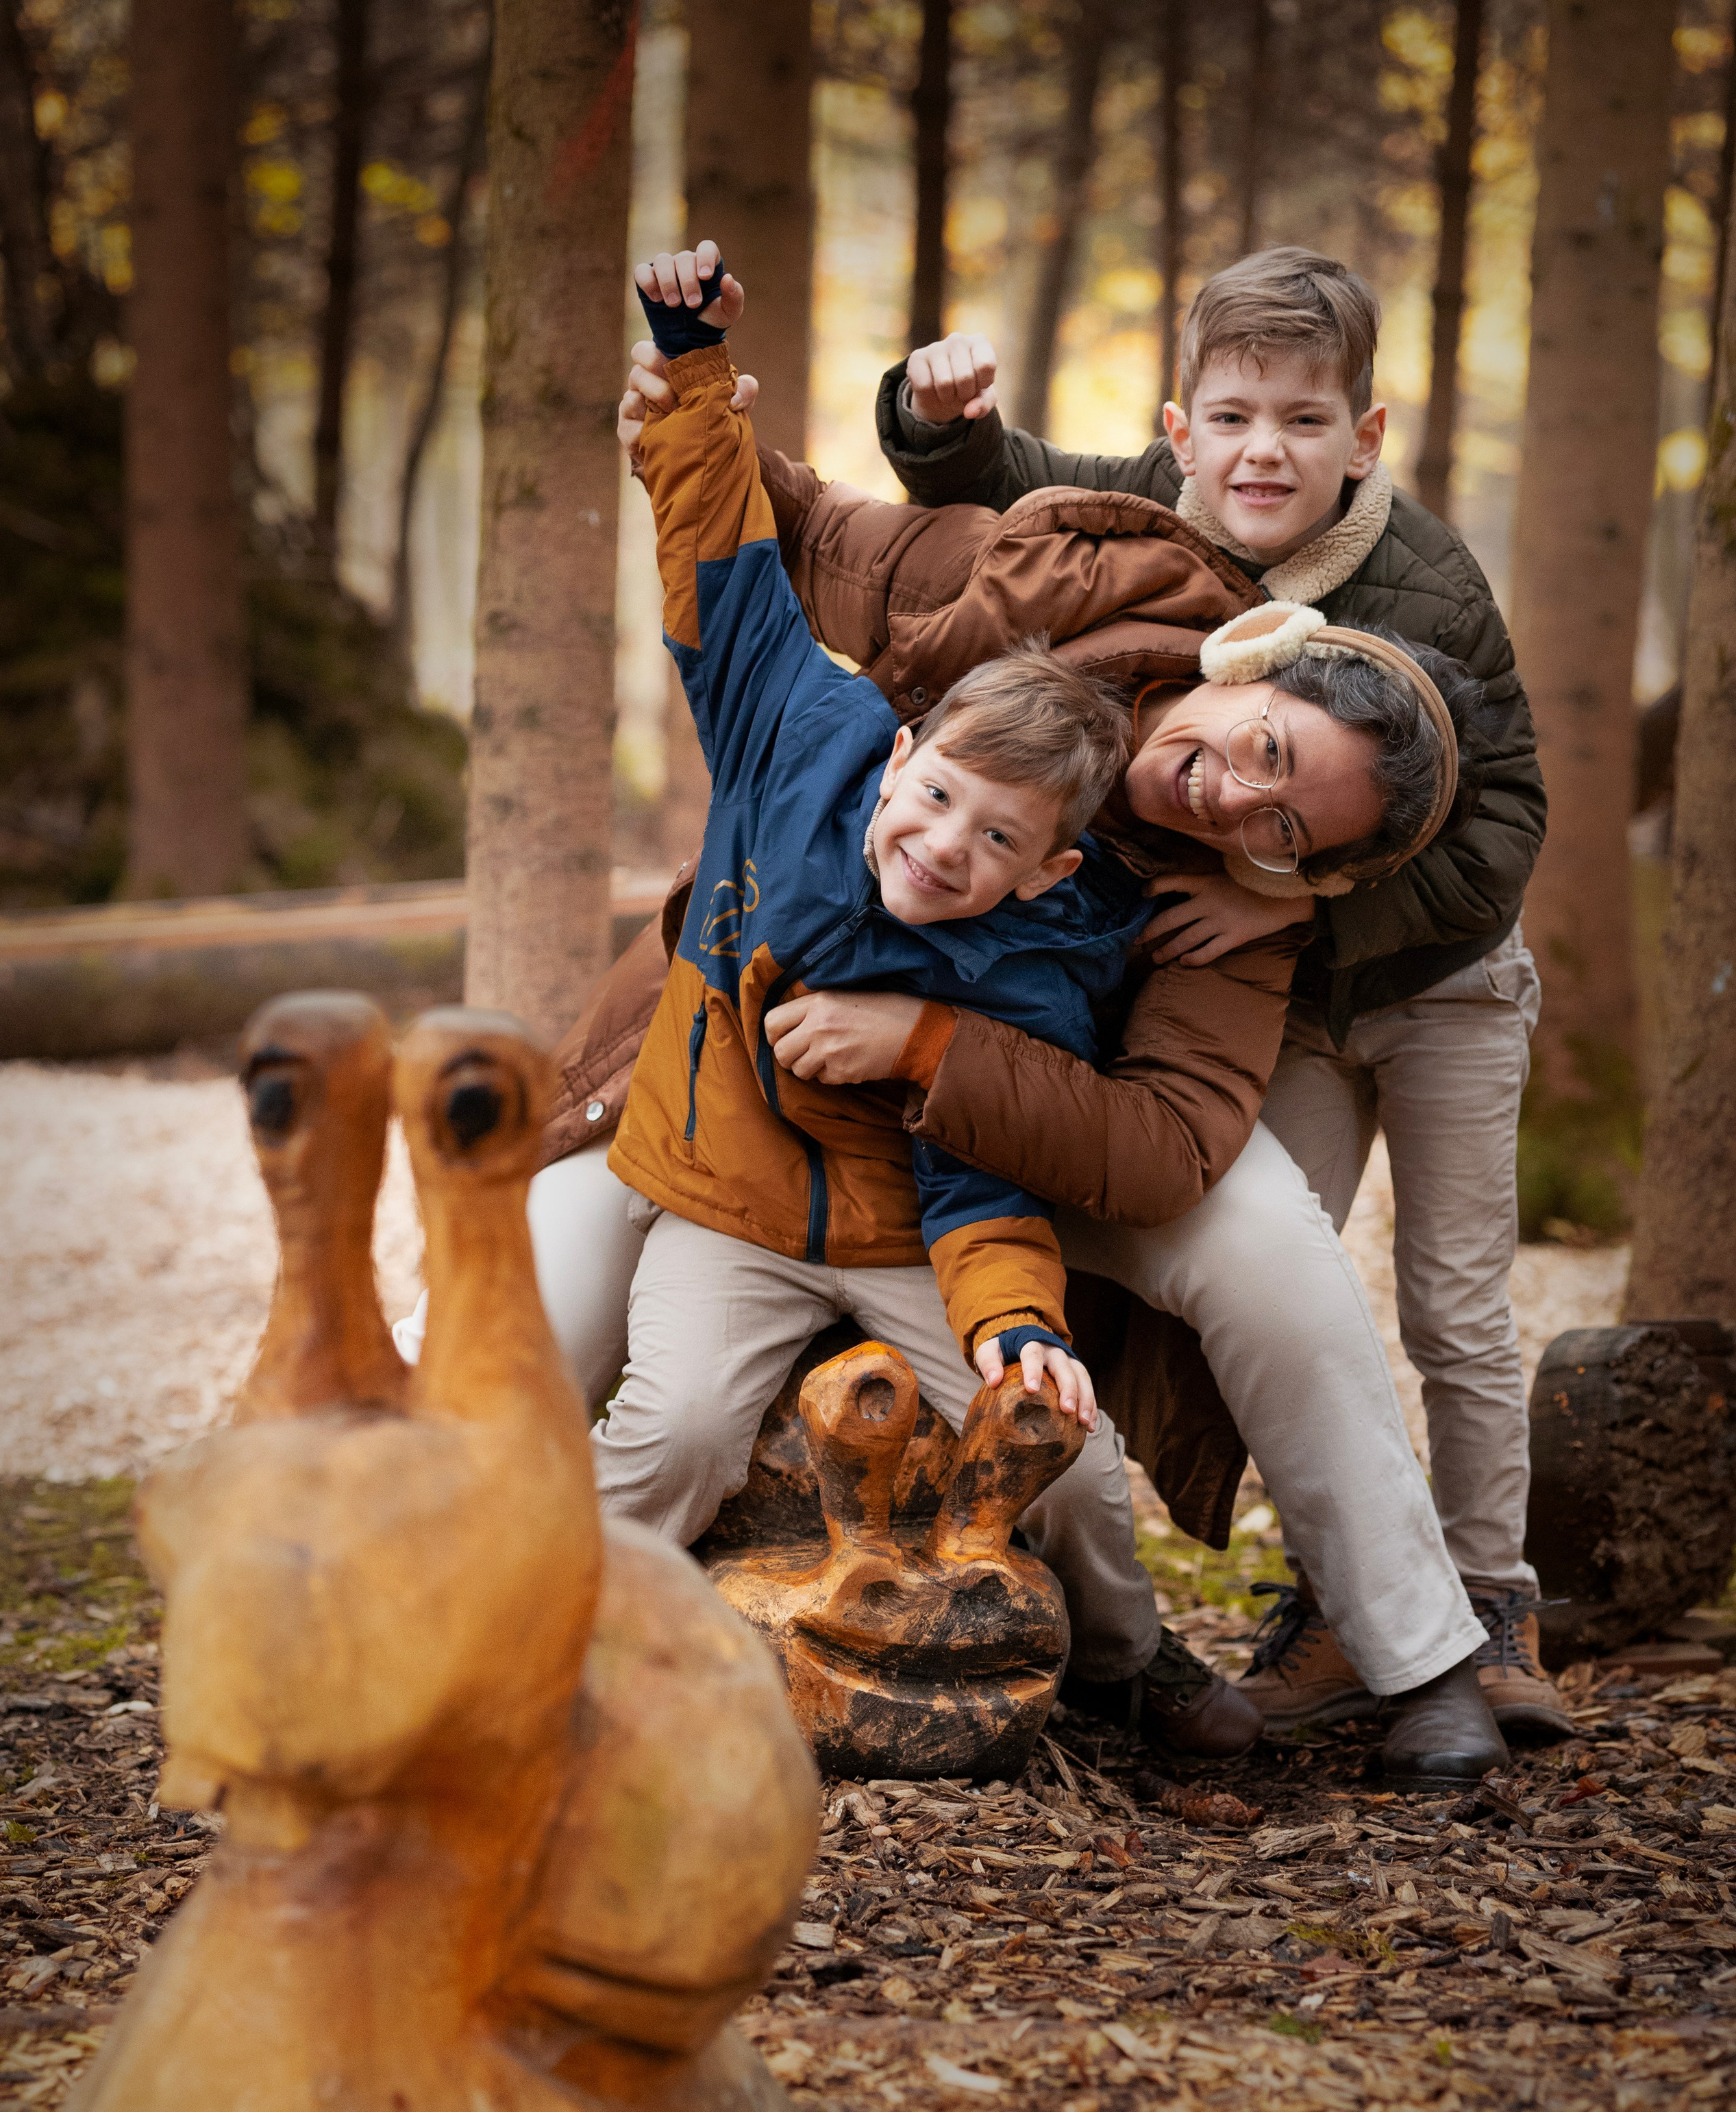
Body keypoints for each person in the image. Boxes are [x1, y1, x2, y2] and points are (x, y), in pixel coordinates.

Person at [526, 243, 1517, 1788]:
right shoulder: (1057, 596)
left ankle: (1417, 1648)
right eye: (1254, 743)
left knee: (1265, 1251)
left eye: (1283, 824)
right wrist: (685, 395)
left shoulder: (1224, 910)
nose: (1232, 794)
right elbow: (804, 545)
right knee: (557, 1276)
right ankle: (427, 1594)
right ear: (1243, 668)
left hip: (1006, 1141)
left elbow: (1169, 1142)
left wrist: (925, 1051)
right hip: (735, 1070)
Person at [879, 245, 1568, 1743]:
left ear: (1363, 437)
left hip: (1437, 978)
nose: (1266, 452)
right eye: (1235, 416)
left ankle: (1491, 1597)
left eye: (1306, 422)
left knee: (1453, 1298)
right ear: (1181, 427)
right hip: (1283, 1004)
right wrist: (933, 425)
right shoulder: (1150, 505)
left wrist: (1281, 887)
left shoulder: (1422, 579)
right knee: (1278, 1269)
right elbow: (1003, 480)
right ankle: (1324, 1606)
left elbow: (1500, 815)